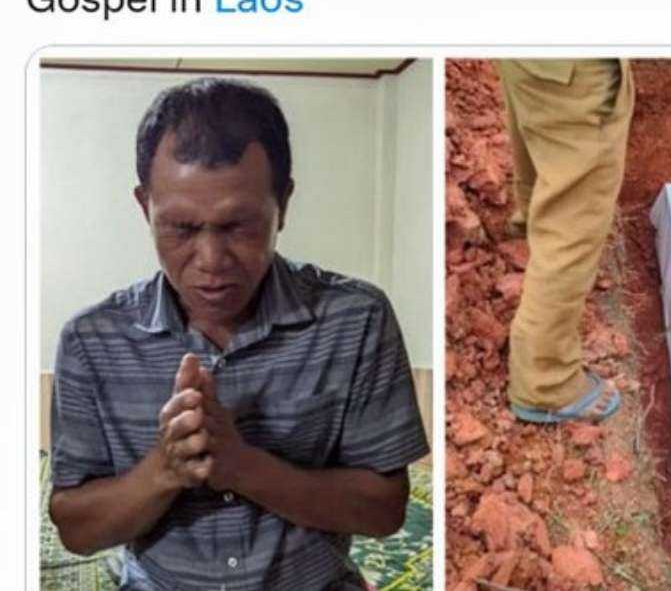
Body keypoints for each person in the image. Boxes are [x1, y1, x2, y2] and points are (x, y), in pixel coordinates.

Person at [48, 77, 429, 590]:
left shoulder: (354, 319)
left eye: (239, 228)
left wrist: (242, 466)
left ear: (283, 205)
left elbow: (384, 511)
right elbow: (74, 526)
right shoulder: (91, 341)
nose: (210, 263)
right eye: (181, 229)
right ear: (145, 208)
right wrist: (164, 469)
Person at [493, 59, 635, 424]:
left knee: (541, 121)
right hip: (576, 63)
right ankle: (546, 383)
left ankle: (531, 218)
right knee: (576, 212)